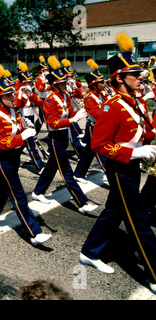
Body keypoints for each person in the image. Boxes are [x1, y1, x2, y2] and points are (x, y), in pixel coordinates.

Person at [80, 33, 156, 294]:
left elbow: (144, 132)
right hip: (121, 167)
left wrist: (150, 141)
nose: (140, 77)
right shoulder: (112, 106)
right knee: (138, 221)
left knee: (114, 211)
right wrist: (136, 153)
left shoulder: (133, 101)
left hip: (132, 165)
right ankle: (154, 272)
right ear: (119, 79)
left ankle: (90, 252)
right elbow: (99, 145)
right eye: (134, 74)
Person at [0, 66, 51, 244]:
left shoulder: (12, 110)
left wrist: (24, 125)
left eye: (12, 95)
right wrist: (22, 136)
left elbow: (15, 128)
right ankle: (34, 233)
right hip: (3, 159)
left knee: (1, 189)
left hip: (14, 156)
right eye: (7, 96)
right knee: (18, 195)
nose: (11, 98)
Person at [31, 56, 98, 214]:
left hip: (64, 136)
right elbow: (52, 123)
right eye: (62, 83)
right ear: (55, 85)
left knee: (51, 167)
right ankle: (82, 203)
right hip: (55, 139)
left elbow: (72, 111)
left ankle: (37, 192)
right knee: (67, 173)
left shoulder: (66, 96)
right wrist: (72, 120)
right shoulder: (50, 100)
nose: (65, 85)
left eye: (65, 82)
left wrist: (81, 112)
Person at [73, 59, 110, 184]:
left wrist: (109, 101)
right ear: (94, 85)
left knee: (88, 152)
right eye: (101, 83)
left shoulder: (101, 95)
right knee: (100, 151)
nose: (104, 84)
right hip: (93, 127)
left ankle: (78, 174)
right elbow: (98, 114)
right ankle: (111, 176)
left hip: (101, 127)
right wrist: (108, 105)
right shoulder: (89, 98)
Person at [14, 62, 47, 172]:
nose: (29, 84)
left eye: (30, 82)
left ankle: (14, 160)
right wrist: (20, 94)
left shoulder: (30, 92)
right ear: (23, 82)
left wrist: (31, 95)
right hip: (22, 119)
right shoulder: (17, 93)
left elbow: (39, 103)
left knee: (24, 143)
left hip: (31, 118)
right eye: (27, 82)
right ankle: (40, 166)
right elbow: (15, 107)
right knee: (31, 144)